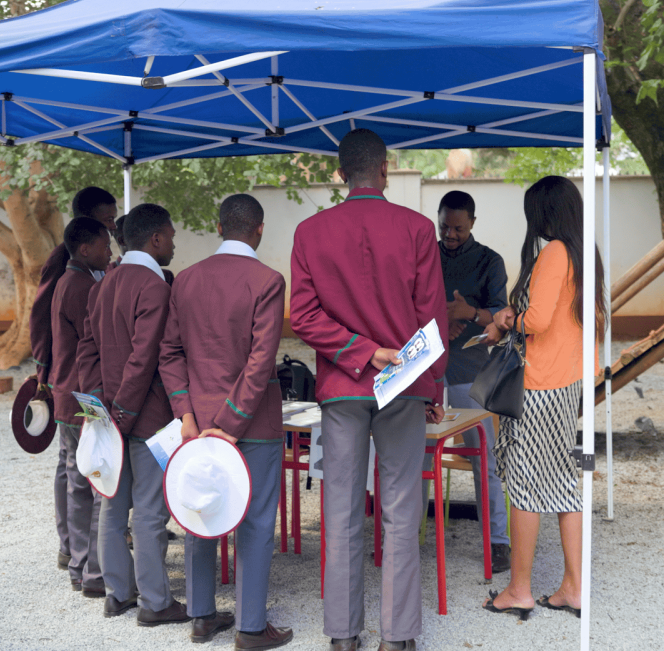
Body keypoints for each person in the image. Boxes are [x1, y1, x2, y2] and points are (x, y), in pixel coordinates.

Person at [290, 129, 448, 651]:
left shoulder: (309, 232)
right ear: (385, 168)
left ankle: (342, 634)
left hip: (343, 385)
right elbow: (433, 321)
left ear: (341, 174)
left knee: (340, 509)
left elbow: (304, 316)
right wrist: (432, 386)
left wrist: (359, 350)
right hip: (402, 383)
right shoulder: (419, 228)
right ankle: (398, 638)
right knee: (402, 509)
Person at [159, 194, 293, 650]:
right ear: (259, 229)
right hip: (252, 423)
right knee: (254, 521)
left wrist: (187, 415)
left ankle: (200, 616)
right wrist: (232, 423)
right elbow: (261, 361)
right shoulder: (268, 280)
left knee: (200, 510)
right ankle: (250, 627)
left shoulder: (186, 280)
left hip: (196, 422)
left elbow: (170, 353)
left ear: (219, 228)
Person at [480, 175, 605, 621]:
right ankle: (573, 586)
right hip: (568, 383)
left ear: (544, 213)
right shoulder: (582, 253)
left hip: (539, 385)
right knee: (561, 481)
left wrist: (507, 317)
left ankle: (519, 588)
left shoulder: (553, 252)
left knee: (526, 483)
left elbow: (538, 320)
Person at [76, 203, 186, 626]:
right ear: (155, 239)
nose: (174, 243)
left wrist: (100, 407)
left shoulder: (105, 283)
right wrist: (121, 411)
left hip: (111, 415)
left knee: (112, 506)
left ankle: (117, 593)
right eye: (171, 236)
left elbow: (89, 349)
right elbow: (145, 358)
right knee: (149, 511)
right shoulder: (154, 286)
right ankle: (156, 603)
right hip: (147, 416)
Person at [421, 190, 511, 573]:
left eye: (458, 227)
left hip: (471, 371)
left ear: (473, 222)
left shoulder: (491, 261)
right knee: (417, 458)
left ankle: (498, 541)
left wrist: (469, 313)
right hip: (425, 370)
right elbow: (409, 304)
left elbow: (502, 318)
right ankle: (408, 537)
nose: (450, 234)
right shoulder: (423, 256)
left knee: (484, 459)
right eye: (444, 226)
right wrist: (444, 318)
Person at [30, 187, 118, 570]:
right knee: (80, 474)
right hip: (75, 387)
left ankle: (80, 556)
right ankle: (82, 556)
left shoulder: (86, 271)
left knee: (75, 467)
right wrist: (43, 372)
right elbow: (43, 318)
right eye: (108, 223)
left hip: (73, 385)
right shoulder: (67, 270)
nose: (113, 233)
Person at [50, 217, 112, 598]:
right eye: (105, 246)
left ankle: (78, 562)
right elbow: (98, 340)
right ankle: (89, 567)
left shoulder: (68, 281)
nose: (110, 253)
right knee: (92, 481)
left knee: (78, 479)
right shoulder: (82, 286)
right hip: (82, 396)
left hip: (67, 393)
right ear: (85, 248)